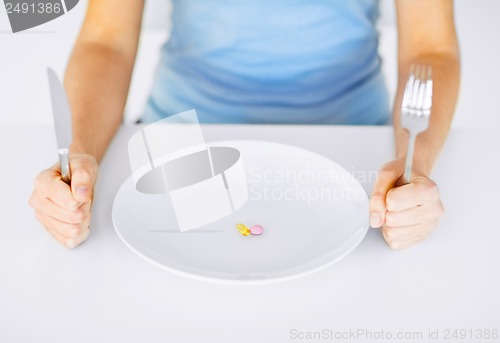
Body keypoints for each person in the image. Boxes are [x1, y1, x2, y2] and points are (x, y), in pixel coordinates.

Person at [28, 0, 460, 249]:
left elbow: (431, 47)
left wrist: (413, 163)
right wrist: (80, 151)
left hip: (359, 155)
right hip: (178, 140)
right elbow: (106, 39)